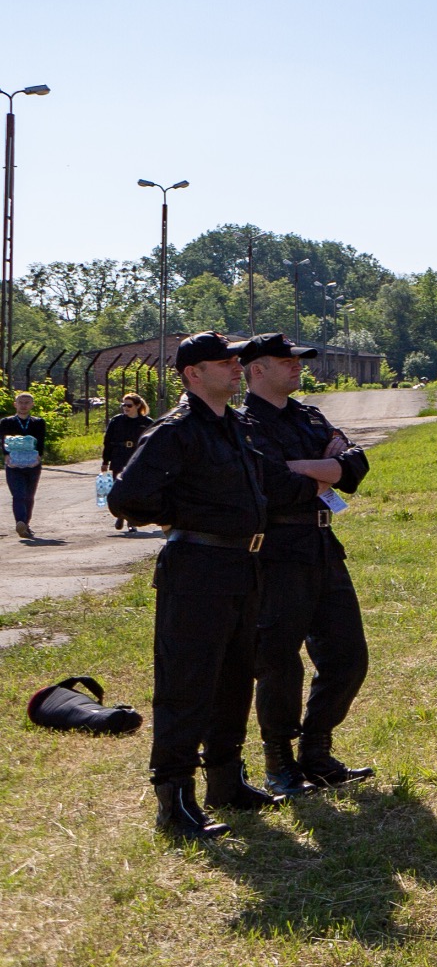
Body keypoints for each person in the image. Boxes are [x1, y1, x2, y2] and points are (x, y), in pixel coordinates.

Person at [109, 333, 289, 838]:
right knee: (186, 685)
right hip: (196, 569)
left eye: (237, 360)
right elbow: (127, 498)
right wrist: (184, 516)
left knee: (235, 678)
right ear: (193, 374)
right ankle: (175, 801)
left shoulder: (235, 426)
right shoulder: (176, 431)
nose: (236, 367)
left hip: (242, 566)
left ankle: (226, 784)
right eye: (224, 361)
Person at [239, 334, 375, 796]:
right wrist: (322, 468)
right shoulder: (244, 424)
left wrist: (304, 468)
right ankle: (279, 761)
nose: (297, 366)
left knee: (348, 657)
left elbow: (356, 465)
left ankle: (316, 751)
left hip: (322, 545)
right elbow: (271, 483)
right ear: (257, 369)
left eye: (297, 360)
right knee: (279, 662)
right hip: (277, 552)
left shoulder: (310, 416)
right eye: (286, 360)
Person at [101, 392, 155, 534]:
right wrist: (105, 461)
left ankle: (131, 520)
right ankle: (120, 515)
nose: (126, 408)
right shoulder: (116, 421)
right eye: (124, 405)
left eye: (129, 405)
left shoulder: (147, 422)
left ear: (137, 406)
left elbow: (152, 443)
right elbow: (108, 442)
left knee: (134, 490)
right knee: (119, 489)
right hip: (119, 456)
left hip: (136, 458)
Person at [1, 391, 49, 541]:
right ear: (15, 404)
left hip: (32, 463)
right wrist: (6, 455)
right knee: (18, 494)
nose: (23, 405)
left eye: (27, 403)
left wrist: (39, 456)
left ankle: (25, 525)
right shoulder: (6, 422)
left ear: (32, 405)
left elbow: (40, 441)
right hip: (14, 464)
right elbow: (2, 440)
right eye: (21, 402)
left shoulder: (38, 422)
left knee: (29, 495)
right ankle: (20, 522)